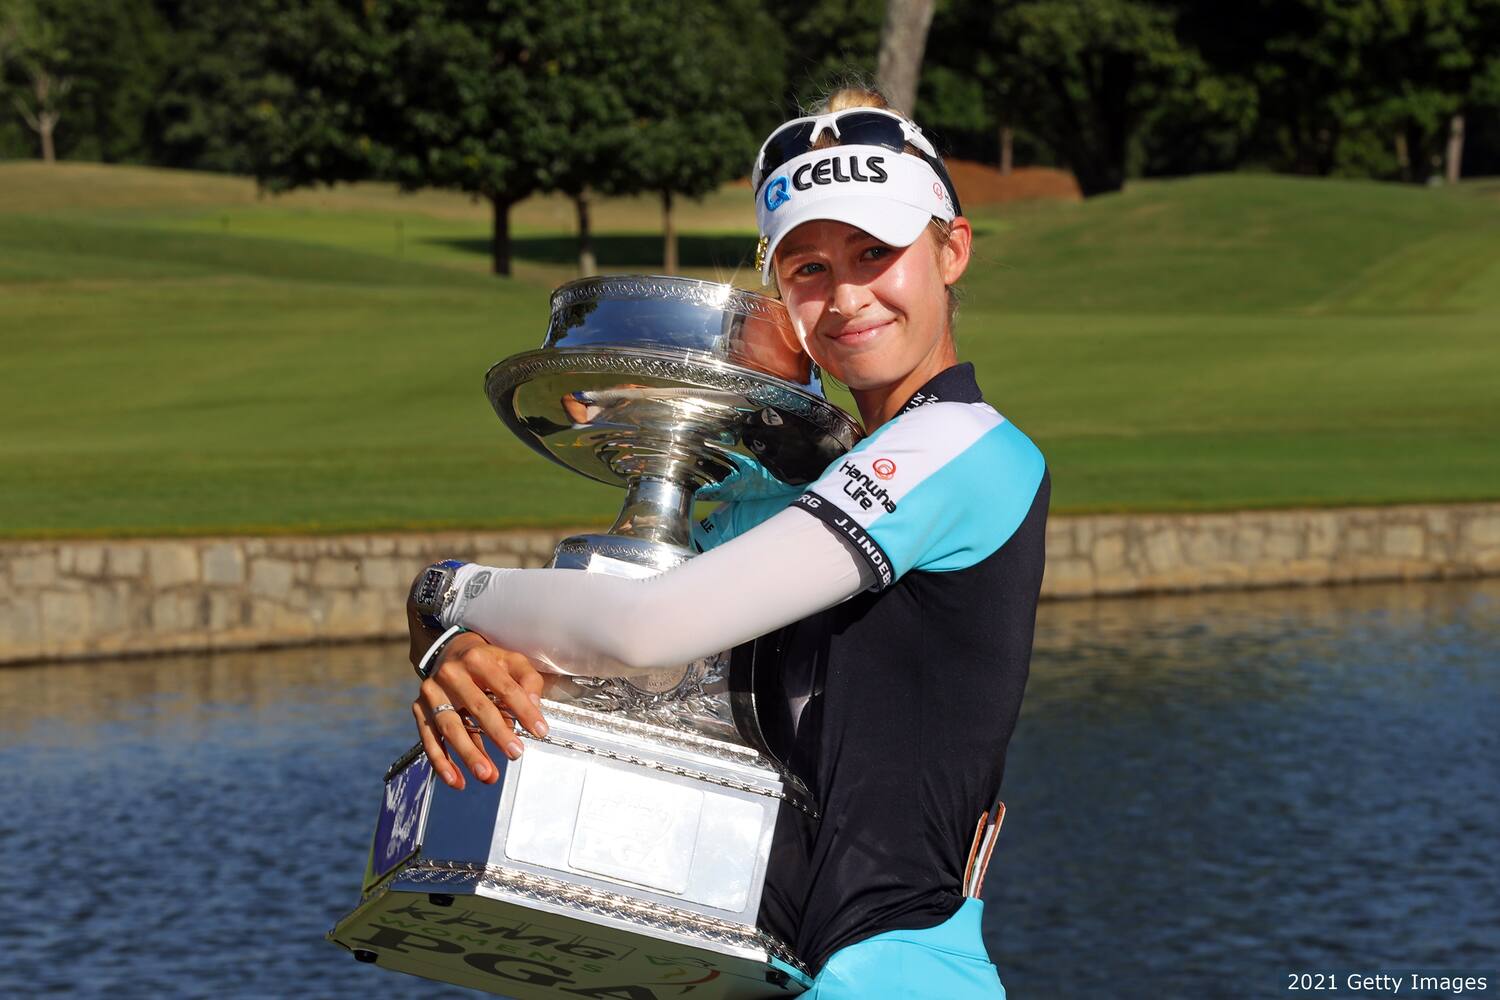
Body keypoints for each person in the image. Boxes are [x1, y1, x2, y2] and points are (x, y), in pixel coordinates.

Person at [404, 87, 1050, 998]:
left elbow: (650, 626)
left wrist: (446, 593)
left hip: (895, 973)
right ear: (779, 291)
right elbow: (642, 673)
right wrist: (481, 658)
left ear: (953, 250)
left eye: (877, 252)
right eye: (809, 267)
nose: (847, 296)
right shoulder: (786, 496)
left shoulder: (967, 449)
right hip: (751, 966)